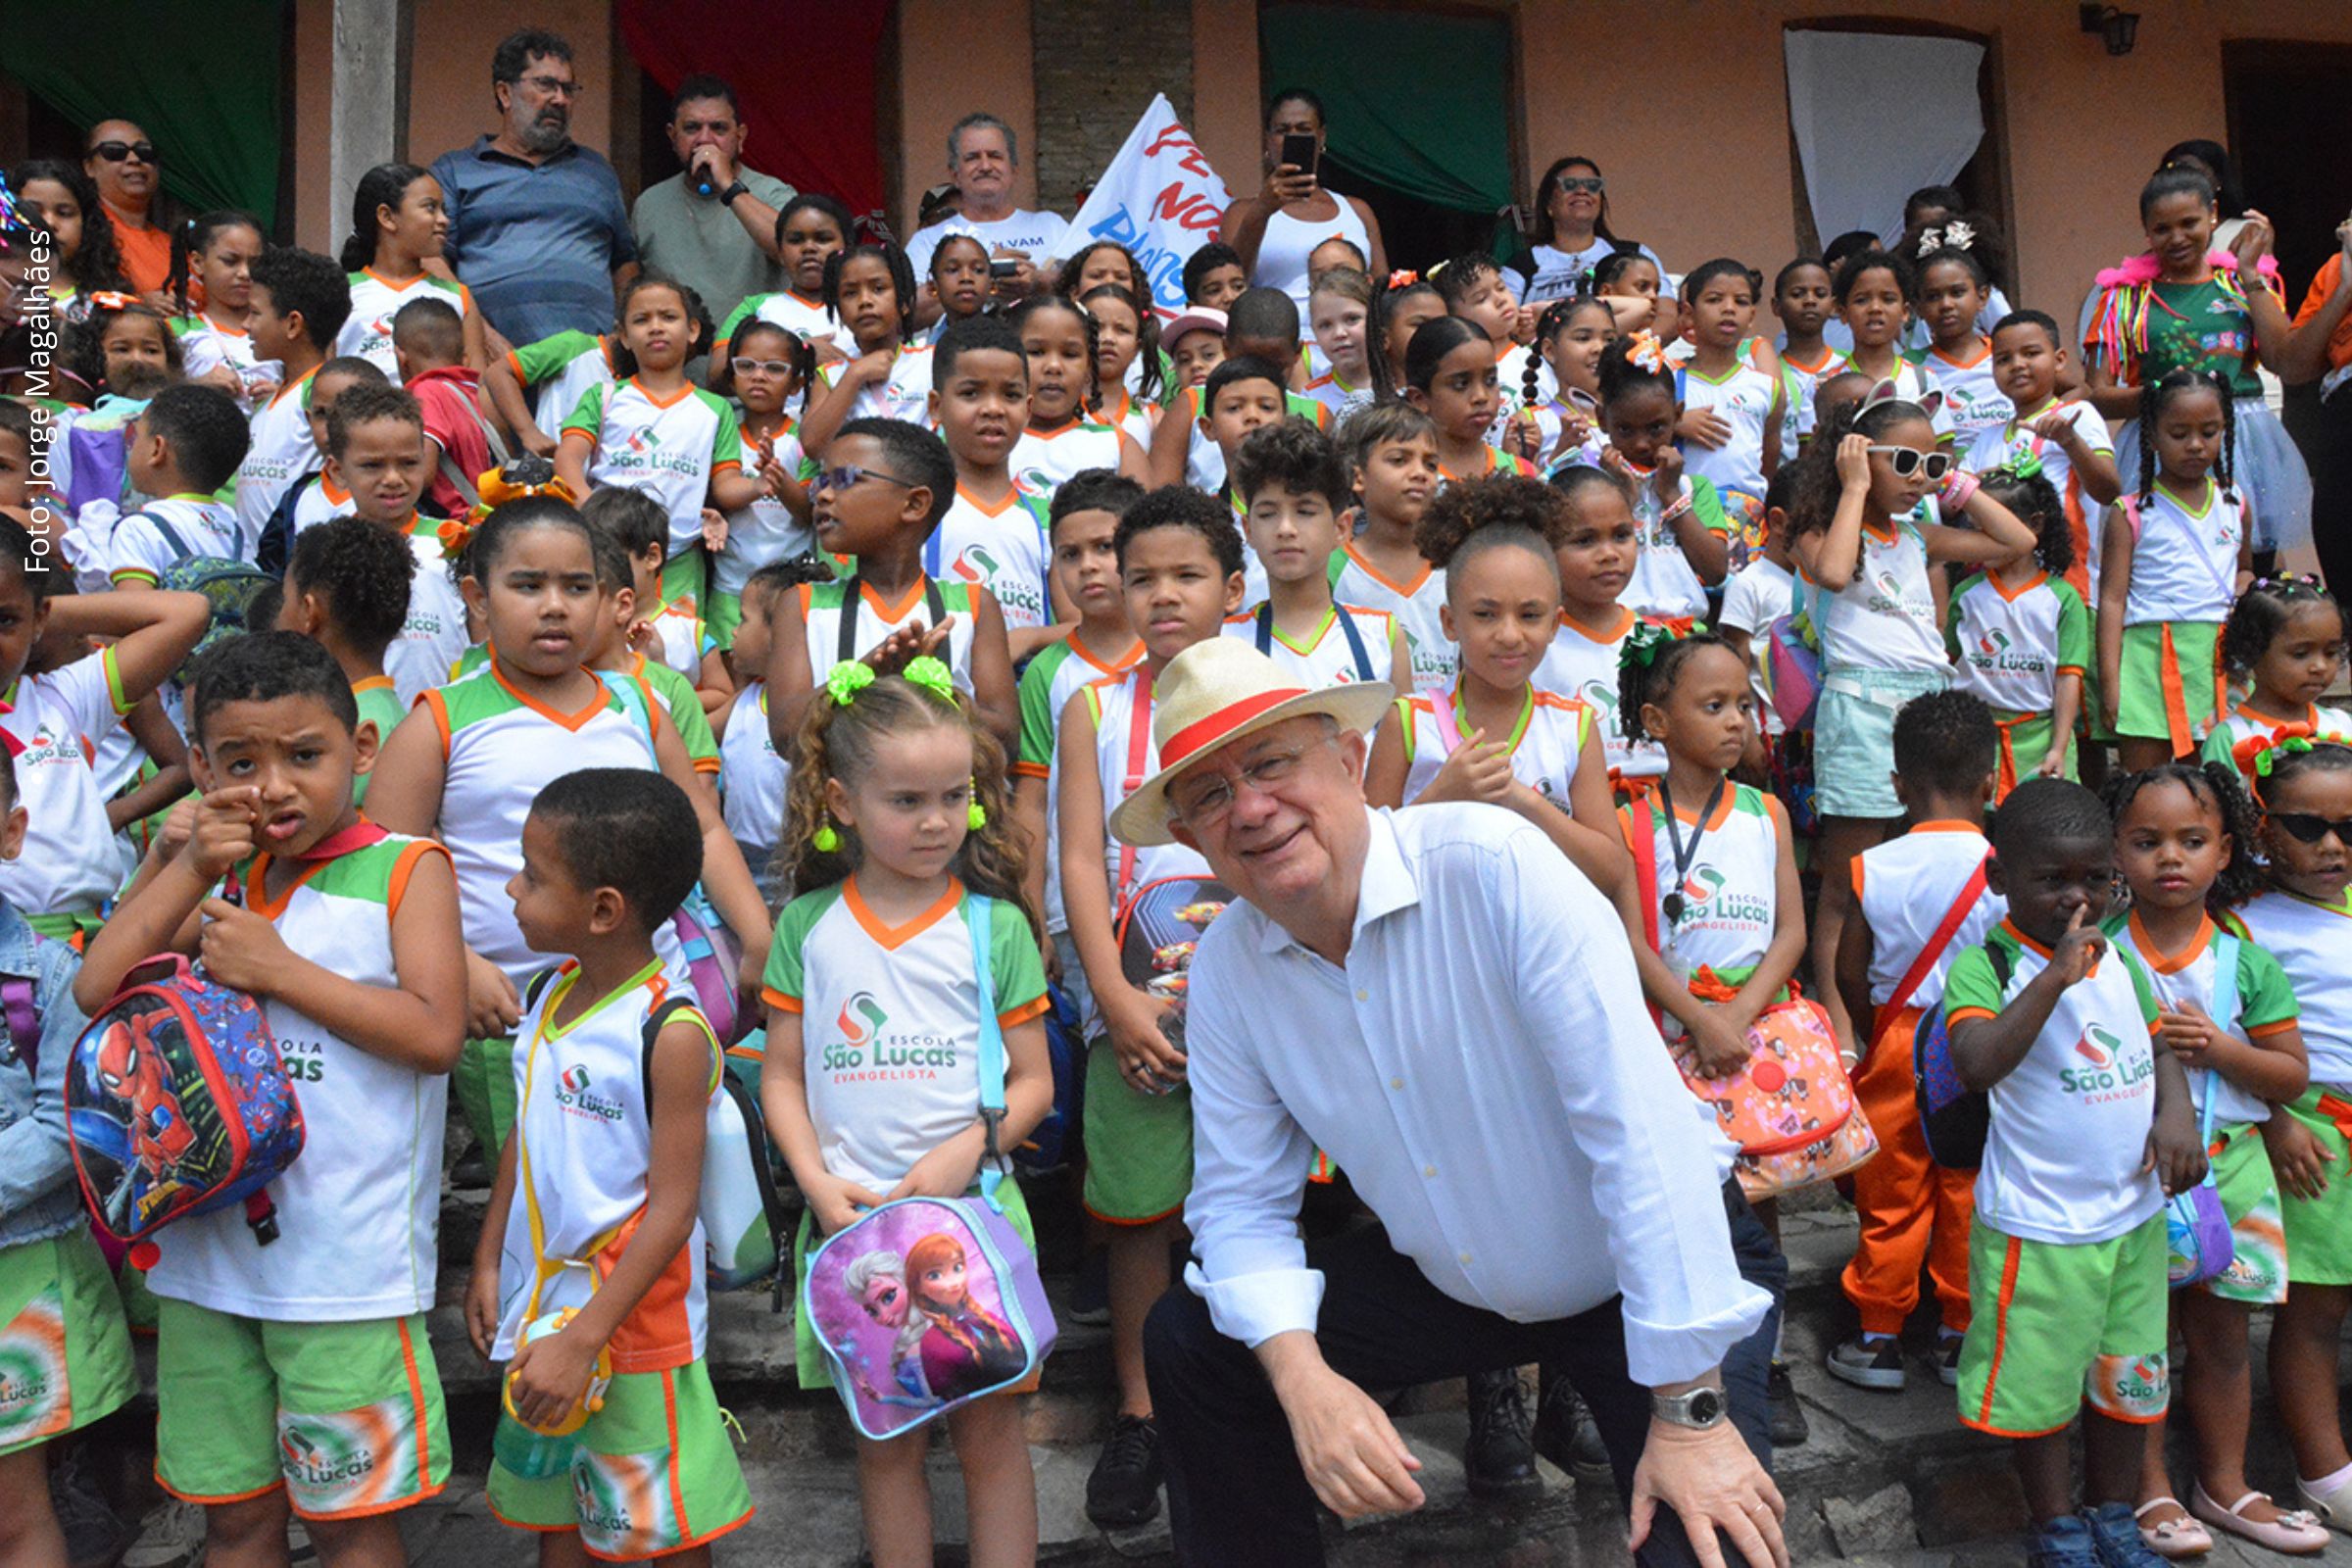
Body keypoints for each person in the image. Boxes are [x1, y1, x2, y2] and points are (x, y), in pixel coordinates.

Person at [1120, 635, 1783, 1567]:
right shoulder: (1228, 965)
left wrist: (1691, 1414)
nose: (1254, 810)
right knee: (1199, 1341)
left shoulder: (1495, 866)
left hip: (1645, 1265)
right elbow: (1237, 1206)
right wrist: (1304, 1379)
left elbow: (1645, 1140)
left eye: (1272, 764)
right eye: (1213, 795)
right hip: (1457, 1283)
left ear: (1351, 762)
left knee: (1708, 1539)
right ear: (1191, 838)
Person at [80, 631, 466, 1565]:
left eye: (306, 756)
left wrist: (281, 970)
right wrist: (183, 868)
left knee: (351, 1522)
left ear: (361, 750)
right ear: (203, 765)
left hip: (346, 1272)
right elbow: (97, 990)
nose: (276, 786)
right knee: (236, 1517)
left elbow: (433, 1035)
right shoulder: (209, 869)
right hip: (205, 1266)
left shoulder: (407, 870)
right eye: (242, 762)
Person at [368, 497, 770, 1159]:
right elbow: (385, 867)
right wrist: (457, 966)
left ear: (611, 599)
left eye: (576, 587)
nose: (554, 606)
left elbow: (704, 828)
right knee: (539, 1204)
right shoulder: (440, 720)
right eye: (527, 585)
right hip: (510, 1018)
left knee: (658, 1191)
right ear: (477, 596)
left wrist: (756, 933)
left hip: (652, 1010)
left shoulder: (639, 705)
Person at [761, 661, 1051, 1568]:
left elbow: (1036, 1080)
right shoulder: (806, 926)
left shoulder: (994, 928)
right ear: (842, 802)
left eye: (954, 797)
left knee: (994, 1440)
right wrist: (814, 1180)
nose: (936, 821)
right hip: (856, 1237)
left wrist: (975, 1143)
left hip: (976, 1221)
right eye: (907, 799)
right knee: (885, 1445)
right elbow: (780, 1076)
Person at [467, 767, 755, 1563]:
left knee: (651, 1534)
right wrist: (491, 1255)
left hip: (629, 1331)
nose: (511, 888)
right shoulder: (549, 994)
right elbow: (527, 1141)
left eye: (532, 875)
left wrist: (586, 1338)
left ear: (603, 910)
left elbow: (672, 1210)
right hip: (547, 1312)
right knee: (560, 1524)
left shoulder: (670, 1031)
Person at [1939, 778, 2204, 1568]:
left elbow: (2156, 1043)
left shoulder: (2118, 957)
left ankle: (2115, 1515)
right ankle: (2057, 1527)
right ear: (2000, 878)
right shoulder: (1986, 964)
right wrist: (2053, 977)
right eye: (2052, 879)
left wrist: (2176, 1113)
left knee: (2130, 1382)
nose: (2076, 896)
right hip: (2041, 1226)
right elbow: (1979, 1064)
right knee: (2041, 1391)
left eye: (2094, 878)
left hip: (2132, 1219)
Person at [1054, 486, 1247, 1530]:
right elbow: (1080, 858)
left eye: (1186, 575)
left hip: (1263, 1005)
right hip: (1140, 1007)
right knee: (1137, 1215)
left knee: (1259, 1203)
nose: (1161, 595)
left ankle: (1262, 1386)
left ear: (1234, 586)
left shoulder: (1269, 691)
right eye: (1141, 577)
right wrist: (1114, 1001)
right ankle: (1139, 1410)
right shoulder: (1092, 704)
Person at [2102, 761, 2326, 1557]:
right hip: (2131, 1179)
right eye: (2146, 841)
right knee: (2142, 1338)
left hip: (2231, 1172)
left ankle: (2224, 1483)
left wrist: (2225, 1050)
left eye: (2191, 841)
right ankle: (2150, 1486)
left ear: (2224, 852)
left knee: (2227, 1338)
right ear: (2115, 853)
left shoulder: (2244, 962)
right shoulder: (2099, 957)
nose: (2171, 858)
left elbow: (2292, 1074)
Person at [1791, 396, 2034, 1056]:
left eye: (1930, 461)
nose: (1919, 475)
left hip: (1929, 708)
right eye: (1905, 460)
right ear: (1856, 456)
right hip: (1862, 709)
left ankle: (1927, 990)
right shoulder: (1819, 528)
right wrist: (1856, 486)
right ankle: (1840, 1016)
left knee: (1934, 855)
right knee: (1848, 876)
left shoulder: (1920, 536)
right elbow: (1836, 572)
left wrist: (1955, 483)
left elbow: (2019, 542)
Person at [1830, 689, 2000, 1393]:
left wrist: (1874, 1034)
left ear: (1897, 784)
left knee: (1890, 1190)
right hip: (1975, 1039)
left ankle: (1878, 1337)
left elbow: (1849, 967)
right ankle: (1961, 1332)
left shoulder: (1873, 866)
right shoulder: (2004, 865)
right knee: (1966, 1185)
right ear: (1993, 779)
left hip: (1900, 1037)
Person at [0, 732, 134, 1568]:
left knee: (16, 1513)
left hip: (19, 1279)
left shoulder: (45, 976)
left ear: (12, 832)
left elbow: (65, 1125)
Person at [1363, 472, 1621, 892]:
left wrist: (1524, 800)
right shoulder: (1409, 721)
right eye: (1485, 614)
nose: (1509, 635)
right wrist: (1442, 794)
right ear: (1449, 622)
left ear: (1556, 624)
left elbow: (1611, 871)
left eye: (1530, 615)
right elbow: (1365, 861)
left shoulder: (1573, 725)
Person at [2230, 740, 2352, 1531]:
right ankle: (2325, 1471)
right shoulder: (2245, 928)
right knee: (2316, 1311)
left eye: (2350, 827)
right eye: (2310, 826)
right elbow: (2227, 1039)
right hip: (2317, 1135)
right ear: (2264, 831)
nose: (2335, 845)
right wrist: (2276, 1122)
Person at [2084, 168, 2308, 560]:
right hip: (2161, 442)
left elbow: (2281, 359)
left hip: (2241, 440)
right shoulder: (2123, 299)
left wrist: (2252, 271)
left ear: (2214, 215)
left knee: (2247, 567)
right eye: (2162, 229)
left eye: (2189, 223)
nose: (2177, 238)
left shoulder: (2238, 284)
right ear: (2146, 231)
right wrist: (2160, 394)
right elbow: (2098, 394)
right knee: (2165, 562)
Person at [0, 527, 207, 941]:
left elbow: (189, 612)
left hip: (83, 944)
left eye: (4, 620)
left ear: (39, 620)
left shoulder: (65, 699)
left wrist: (37, 606)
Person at [763, 418, 1018, 750]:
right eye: (821, 481)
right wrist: (866, 676)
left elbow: (1006, 737)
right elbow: (785, 735)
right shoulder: (800, 604)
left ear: (914, 504)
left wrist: (918, 688)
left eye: (844, 479)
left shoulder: (972, 605)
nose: (823, 495)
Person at [1012, 470, 1144, 1016]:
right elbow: (1031, 801)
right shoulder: (1049, 671)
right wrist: (1036, 921)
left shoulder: (1181, 645)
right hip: (1076, 910)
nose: (1086, 565)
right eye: (1068, 554)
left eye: (1104, 548)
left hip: (1176, 891)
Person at [557, 274, 766, 609]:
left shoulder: (716, 410)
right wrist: (589, 511)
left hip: (680, 559)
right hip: (605, 549)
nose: (656, 327)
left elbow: (724, 483)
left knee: (675, 652)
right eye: (641, 320)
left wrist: (759, 485)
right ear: (624, 336)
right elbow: (567, 459)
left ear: (693, 330)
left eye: (668, 317)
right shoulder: (605, 397)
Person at [429, 28, 638, 345]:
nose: (560, 99)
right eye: (545, 85)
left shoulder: (596, 172)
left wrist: (621, 341)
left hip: (591, 364)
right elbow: (430, 258)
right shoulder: (455, 171)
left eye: (568, 89)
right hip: (493, 367)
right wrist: (485, 340)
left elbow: (624, 263)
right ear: (504, 93)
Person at [2096, 369, 2252, 772]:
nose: (2196, 445)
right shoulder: (2130, 512)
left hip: (2218, 660)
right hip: (2149, 662)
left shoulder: (2235, 504)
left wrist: (2244, 591)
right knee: (2147, 781)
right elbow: (2112, 601)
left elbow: (2245, 570)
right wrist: (2111, 685)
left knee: (2221, 777)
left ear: (2225, 430)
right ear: (2151, 436)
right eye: (2179, 434)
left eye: (2209, 431)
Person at [312, 383, 469, 708]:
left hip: (443, 723)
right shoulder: (325, 552)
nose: (394, 478)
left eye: (409, 463)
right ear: (337, 471)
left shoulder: (455, 542)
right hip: (358, 724)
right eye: (373, 465)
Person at [1224, 418, 1406, 693]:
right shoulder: (1226, 642)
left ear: (1341, 528)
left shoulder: (1382, 635)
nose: (1285, 529)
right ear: (1248, 529)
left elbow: (1402, 734)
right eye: (1267, 514)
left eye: (1305, 511)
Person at [1946, 461, 2088, 800]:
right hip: (1975, 738)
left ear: (2034, 523)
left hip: (2040, 738)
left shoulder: (2062, 598)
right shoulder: (1966, 593)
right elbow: (1950, 662)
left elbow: (2068, 676)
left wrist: (2058, 747)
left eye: (1993, 528)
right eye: (1976, 528)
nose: (1982, 541)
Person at [1964, 311, 2121, 607]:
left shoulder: (2078, 416)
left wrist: (2070, 442)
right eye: (2003, 359)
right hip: (1998, 594)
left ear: (2059, 360)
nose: (2018, 365)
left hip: (2069, 587)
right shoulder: (1986, 439)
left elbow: (2108, 490)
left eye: (2031, 353)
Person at [928, 316, 1055, 660]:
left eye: (1010, 395)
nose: (993, 409)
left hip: (1022, 699)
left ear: (1028, 409)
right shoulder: (917, 508)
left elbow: (1080, 624)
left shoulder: (1049, 516)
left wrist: (1029, 638)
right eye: (971, 393)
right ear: (936, 406)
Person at [629, 75, 795, 331]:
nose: (705, 140)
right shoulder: (649, 204)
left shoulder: (772, 193)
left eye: (718, 129)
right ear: (672, 136)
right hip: (674, 368)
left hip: (754, 366)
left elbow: (791, 251)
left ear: (740, 137)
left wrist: (729, 186)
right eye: (692, 128)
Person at [277, 516, 414, 806]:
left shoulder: (342, 725)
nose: (277, 616)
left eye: (284, 599)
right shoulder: (394, 719)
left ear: (308, 612)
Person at [1540, 466, 1662, 781]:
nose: (1609, 554)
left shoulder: (1656, 638)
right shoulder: (1535, 647)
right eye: (1584, 541)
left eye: (1621, 536)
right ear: (1545, 547)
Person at [1594, 333, 1730, 619]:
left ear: (1678, 415)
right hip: (1613, 629)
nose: (1642, 444)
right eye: (1625, 430)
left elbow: (1716, 571)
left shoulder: (1693, 488)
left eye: (1656, 428)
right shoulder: (1590, 486)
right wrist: (1622, 498)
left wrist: (1671, 495)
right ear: (1601, 419)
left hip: (1683, 630)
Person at [704, 318, 813, 652]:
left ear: (796, 385)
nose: (759, 376)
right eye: (746, 366)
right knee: (734, 672)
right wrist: (756, 485)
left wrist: (777, 481)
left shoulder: (806, 438)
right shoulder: (721, 433)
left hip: (790, 585)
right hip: (730, 584)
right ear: (731, 375)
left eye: (775, 368)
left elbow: (808, 513)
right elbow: (716, 495)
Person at [234, 247, 352, 558]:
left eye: (255, 313)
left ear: (293, 324)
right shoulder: (272, 397)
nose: (245, 324)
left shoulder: (321, 393)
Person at [1219, 89, 1385, 311]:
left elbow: (1383, 290)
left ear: (1321, 137)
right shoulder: (1242, 212)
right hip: (1278, 339)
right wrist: (1262, 210)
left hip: (1351, 337)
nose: (1293, 137)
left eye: (1304, 129)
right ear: (1268, 140)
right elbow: (1230, 287)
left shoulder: (1357, 210)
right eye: (1282, 130)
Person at [716, 559, 816, 907]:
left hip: (804, 864)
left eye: (743, 619)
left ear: (781, 633)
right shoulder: (746, 700)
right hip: (741, 866)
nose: (734, 631)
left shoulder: (815, 705)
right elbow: (688, 733)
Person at [1333, 404, 1450, 693]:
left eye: (1430, 464)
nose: (1420, 473)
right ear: (1358, 478)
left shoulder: (1456, 563)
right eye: (1399, 460)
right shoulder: (1331, 569)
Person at [334, 163, 485, 383]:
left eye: (444, 209)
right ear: (387, 217)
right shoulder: (340, 292)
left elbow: (476, 386)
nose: (444, 220)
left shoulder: (458, 297)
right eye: (430, 207)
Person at [1677, 259, 1787, 547]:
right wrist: (1675, 424)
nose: (1729, 308)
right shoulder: (1668, 381)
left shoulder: (1766, 388)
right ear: (1689, 314)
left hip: (1746, 519)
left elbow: (1769, 457)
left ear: (1751, 315)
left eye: (1740, 301)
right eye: (1714, 300)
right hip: (1686, 513)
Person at [2202, 574, 2352, 775]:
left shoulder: (2341, 726)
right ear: (2252, 652)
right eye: (2300, 654)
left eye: (2331, 653)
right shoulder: (2232, 738)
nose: (2320, 666)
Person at [904, 113, 1067, 292]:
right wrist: (987, 277)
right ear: (955, 175)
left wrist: (1039, 280)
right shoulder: (928, 240)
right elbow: (912, 308)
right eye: (972, 158)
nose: (985, 167)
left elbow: (1089, 283)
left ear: (1014, 170)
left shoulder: (1051, 226)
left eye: (995, 156)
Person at [104, 383, 248, 587]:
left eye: (136, 437)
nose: (131, 447)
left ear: (157, 449)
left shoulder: (139, 529)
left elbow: (135, 614)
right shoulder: (234, 525)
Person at [251, 356, 388, 567]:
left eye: (348, 412)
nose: (332, 428)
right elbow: (273, 564)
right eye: (322, 414)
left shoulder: (397, 495)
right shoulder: (299, 495)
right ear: (308, 419)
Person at [799, 243, 934, 454]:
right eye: (850, 293)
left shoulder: (929, 360)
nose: (865, 301)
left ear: (904, 303)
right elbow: (812, 446)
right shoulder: (830, 375)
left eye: (878, 289)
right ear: (840, 312)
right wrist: (855, 375)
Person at [1008, 294, 1146, 501]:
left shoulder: (1118, 445)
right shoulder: (977, 441)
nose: (1054, 366)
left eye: (1070, 354)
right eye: (1036, 352)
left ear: (1089, 368)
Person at [710, 192, 857, 367]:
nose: (809, 247)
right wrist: (798, 352)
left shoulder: (867, 303)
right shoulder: (755, 309)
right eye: (796, 240)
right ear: (779, 252)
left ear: (847, 248)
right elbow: (716, 374)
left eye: (823, 238)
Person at [1515, 156, 1667, 306]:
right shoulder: (1521, 265)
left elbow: (1667, 314)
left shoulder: (1638, 254)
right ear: (1549, 205)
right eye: (1570, 184)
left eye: (1593, 185)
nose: (1582, 191)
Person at [1404, 318, 1534, 486]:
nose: (1481, 396)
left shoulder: (1521, 474)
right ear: (1419, 399)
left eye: (1490, 380)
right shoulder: (1411, 481)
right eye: (1461, 384)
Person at [394, 299, 491, 520]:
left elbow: (424, 475)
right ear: (465, 359)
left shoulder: (426, 393)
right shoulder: (470, 392)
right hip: (480, 514)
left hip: (450, 524)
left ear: (401, 358)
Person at [167, 210, 272, 406]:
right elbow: (149, 397)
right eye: (230, 262)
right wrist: (196, 386)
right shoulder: (176, 331)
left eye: (255, 263)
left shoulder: (281, 328)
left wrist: (282, 396)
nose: (245, 273)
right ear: (198, 263)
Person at [1914, 239, 2011, 445]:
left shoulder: (2008, 354)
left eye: (1957, 293)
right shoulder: (1911, 368)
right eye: (1933, 297)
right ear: (1918, 307)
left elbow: (2071, 389)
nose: (1946, 304)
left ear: (1982, 297)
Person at [11, 160, 126, 305]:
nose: (49, 223)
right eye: (33, 211)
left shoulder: (107, 302)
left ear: (86, 224)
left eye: (64, 213)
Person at [81, 120, 170, 297]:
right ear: (89, 167)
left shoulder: (174, 244)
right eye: (115, 152)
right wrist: (138, 304)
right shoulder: (82, 233)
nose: (134, 160)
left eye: (145, 153)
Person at [1771, 259, 1844, 450]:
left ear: (1833, 305)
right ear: (1776, 306)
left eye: (1820, 294)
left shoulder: (1848, 366)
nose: (1810, 300)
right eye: (1797, 294)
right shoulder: (1767, 372)